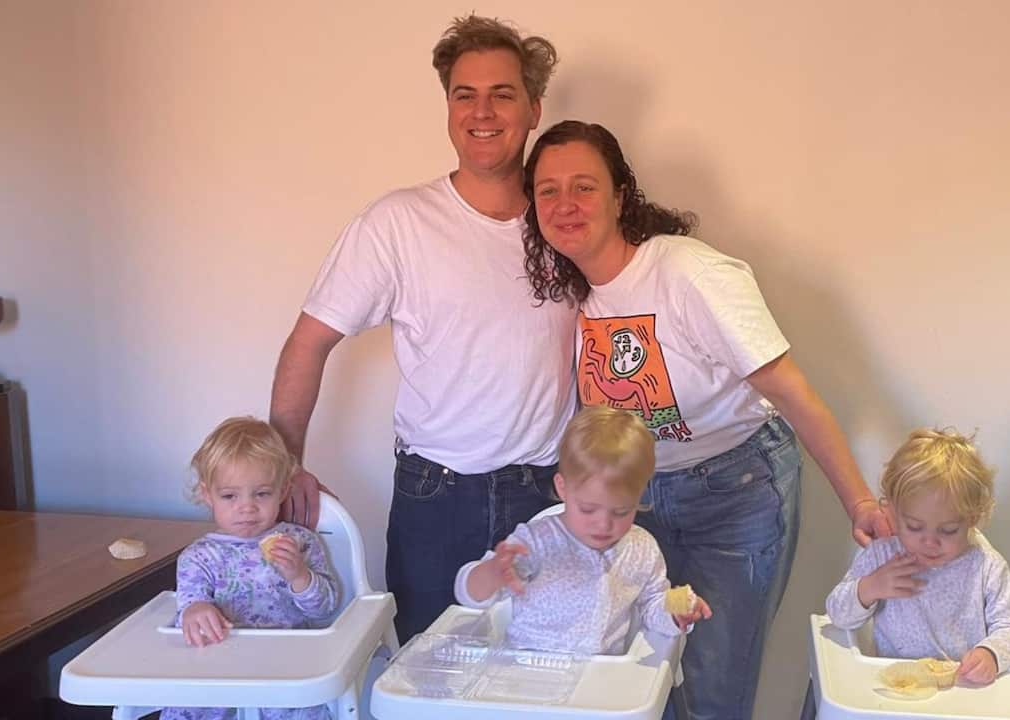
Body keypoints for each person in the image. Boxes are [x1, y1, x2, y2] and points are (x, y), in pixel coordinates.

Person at [521, 120, 893, 720]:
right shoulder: (576, 298)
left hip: (735, 493)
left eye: (584, 187)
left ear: (620, 196)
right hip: (638, 502)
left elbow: (793, 394)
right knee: (644, 675)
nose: (566, 204)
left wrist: (859, 503)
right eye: (548, 190)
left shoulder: (688, 274)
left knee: (713, 686)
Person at [269, 16, 576, 644]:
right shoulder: (398, 222)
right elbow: (309, 341)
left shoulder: (566, 219)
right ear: (448, 108)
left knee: (545, 683)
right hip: (437, 498)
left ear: (534, 107)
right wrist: (283, 466)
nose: (482, 111)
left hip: (547, 495)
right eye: (465, 94)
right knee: (428, 684)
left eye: (502, 93)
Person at [455, 405, 712, 654]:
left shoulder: (642, 547)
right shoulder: (535, 542)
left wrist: (680, 606)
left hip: (599, 682)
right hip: (528, 677)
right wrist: (491, 573)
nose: (604, 524)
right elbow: (469, 595)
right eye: (588, 509)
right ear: (563, 488)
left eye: (621, 511)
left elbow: (655, 600)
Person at [164, 416, 339, 720]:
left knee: (306, 707)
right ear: (208, 495)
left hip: (286, 666)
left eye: (262, 494)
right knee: (187, 704)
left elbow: (324, 608)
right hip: (219, 670)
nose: (247, 507)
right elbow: (187, 613)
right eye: (230, 496)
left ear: (283, 492)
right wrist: (195, 611)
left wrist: (300, 576)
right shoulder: (198, 557)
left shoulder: (298, 542)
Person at [826, 428, 1010, 685]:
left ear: (973, 519)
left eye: (948, 530)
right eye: (914, 527)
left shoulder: (986, 565)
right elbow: (837, 614)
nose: (930, 541)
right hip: (895, 687)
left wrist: (991, 653)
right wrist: (870, 588)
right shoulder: (883, 556)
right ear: (892, 512)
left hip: (962, 690)